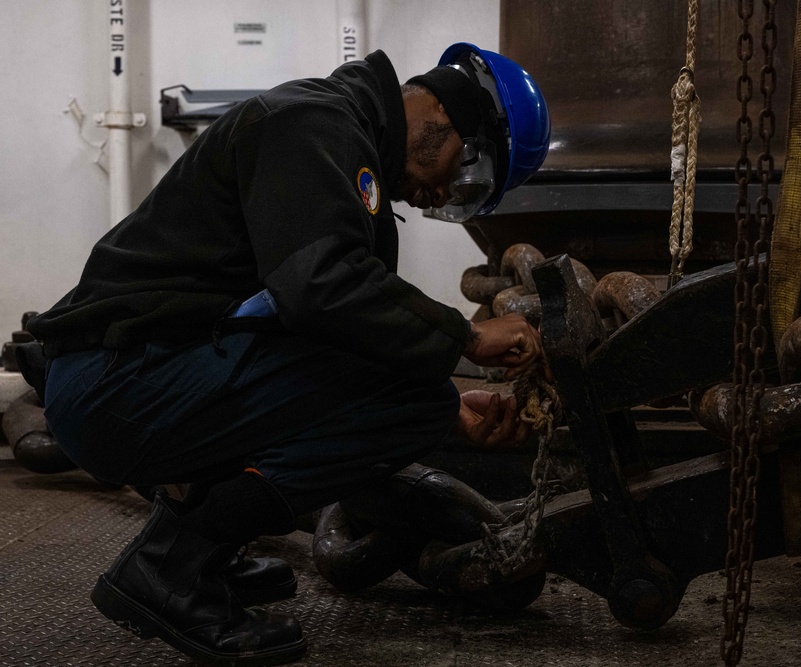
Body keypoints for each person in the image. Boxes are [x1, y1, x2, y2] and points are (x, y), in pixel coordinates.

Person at [25, 42, 550, 666]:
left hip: (138, 372)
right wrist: (466, 340)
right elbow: (321, 288)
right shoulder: (312, 124)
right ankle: (169, 567)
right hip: (116, 381)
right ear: (442, 111)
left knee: (418, 401)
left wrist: (452, 407)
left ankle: (207, 554)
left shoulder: (344, 147)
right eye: (464, 169)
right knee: (412, 402)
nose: (443, 195)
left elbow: (329, 337)